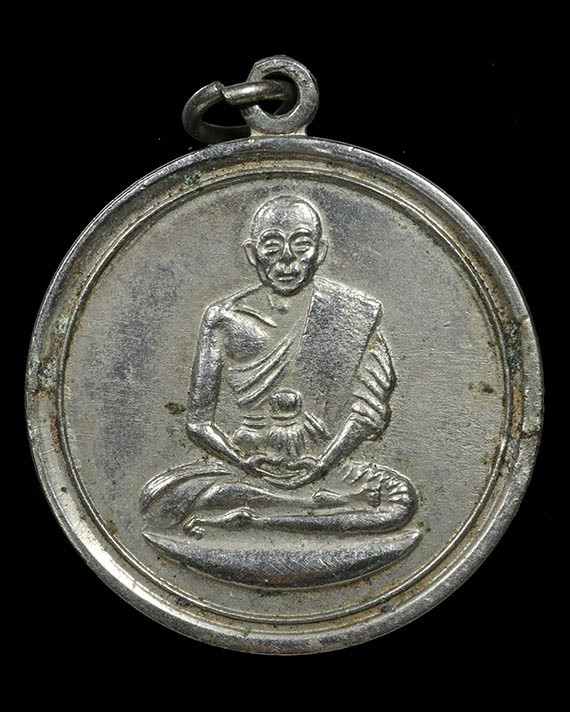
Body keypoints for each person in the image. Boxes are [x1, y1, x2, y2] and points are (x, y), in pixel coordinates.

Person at [141, 196, 417, 535]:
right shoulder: (224, 318)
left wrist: (322, 464)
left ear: (320, 251)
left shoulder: (355, 312)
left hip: (330, 464)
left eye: (301, 245)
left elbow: (367, 414)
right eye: (272, 246)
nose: (286, 259)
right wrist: (244, 463)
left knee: (401, 498)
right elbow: (198, 424)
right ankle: (308, 513)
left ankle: (263, 517)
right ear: (252, 252)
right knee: (160, 500)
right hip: (248, 464)